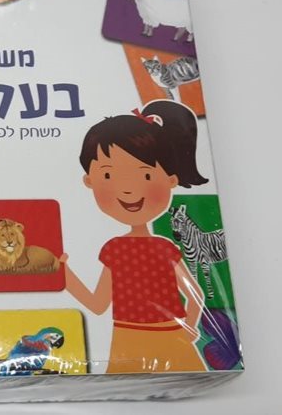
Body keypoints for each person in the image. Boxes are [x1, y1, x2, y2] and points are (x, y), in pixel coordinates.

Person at [60, 100, 208, 373]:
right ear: (89, 180)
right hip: (128, 339)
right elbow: (98, 304)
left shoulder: (163, 248)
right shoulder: (115, 249)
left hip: (166, 336)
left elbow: (195, 294)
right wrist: (63, 273)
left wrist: (189, 326)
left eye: (146, 175)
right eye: (108, 175)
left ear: (171, 180)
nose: (128, 190)